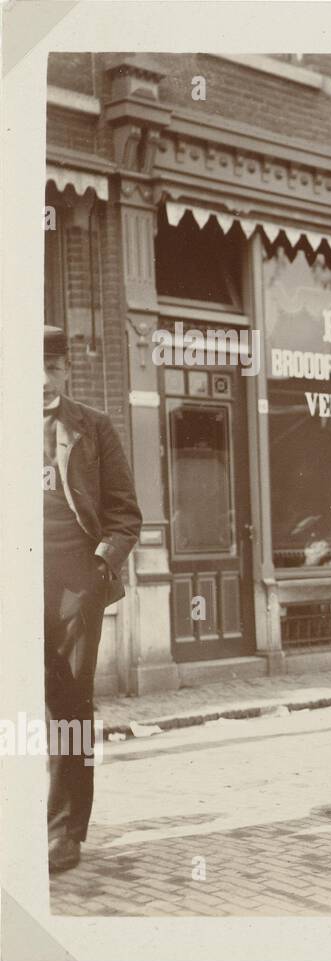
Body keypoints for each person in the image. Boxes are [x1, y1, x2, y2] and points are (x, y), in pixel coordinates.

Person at [43, 326, 142, 873]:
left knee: (70, 707)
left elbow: (126, 512)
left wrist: (99, 565)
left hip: (73, 589)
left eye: (51, 369)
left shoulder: (94, 428)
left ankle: (65, 833)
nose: (39, 380)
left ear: (65, 371)